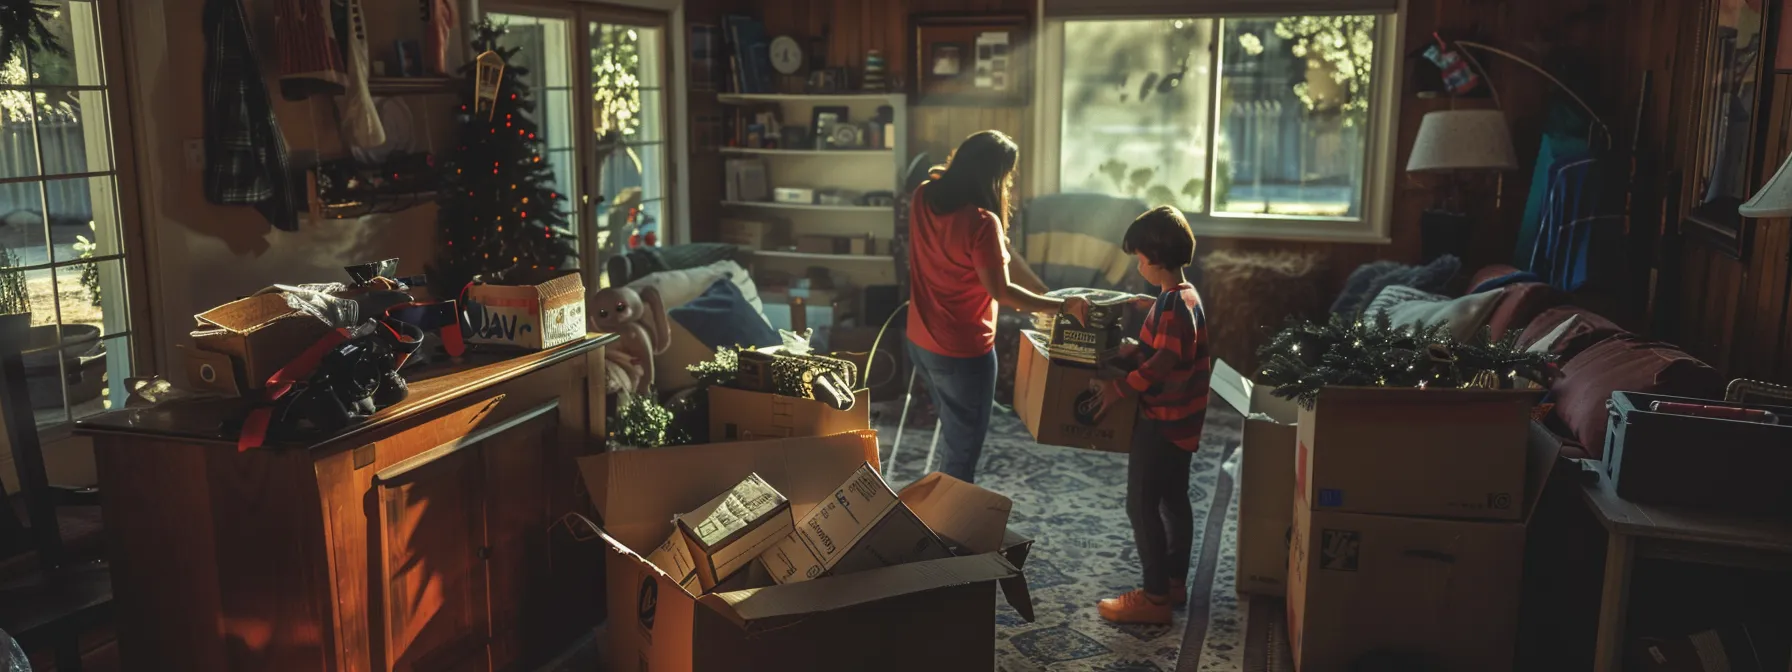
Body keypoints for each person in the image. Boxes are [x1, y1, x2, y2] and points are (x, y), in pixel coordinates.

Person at [907, 130, 1089, 483]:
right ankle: (951, 529)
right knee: (963, 451)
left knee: (953, 435)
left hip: (920, 341)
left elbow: (1000, 256)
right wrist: (1062, 307)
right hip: (962, 352)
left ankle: (942, 511)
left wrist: (1041, 290)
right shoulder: (980, 221)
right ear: (995, 175)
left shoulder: (924, 197)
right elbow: (1003, 292)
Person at [1093, 206, 1212, 625]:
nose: (1138, 264)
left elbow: (1164, 362)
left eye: (1139, 257)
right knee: (1174, 499)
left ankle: (1155, 597)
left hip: (1161, 420)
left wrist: (1120, 386)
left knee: (1140, 504)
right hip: (1185, 419)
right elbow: (1171, 351)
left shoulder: (1171, 307)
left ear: (1154, 258)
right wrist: (1136, 347)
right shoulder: (1185, 295)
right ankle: (1174, 580)